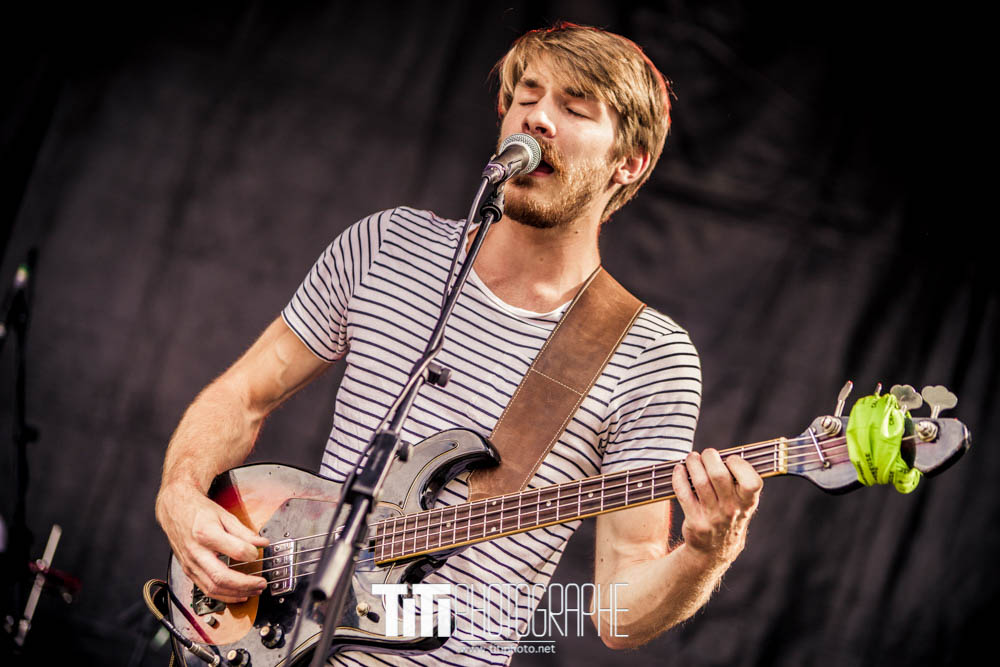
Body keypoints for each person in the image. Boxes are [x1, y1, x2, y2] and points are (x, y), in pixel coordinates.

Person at [155, 22, 763, 665]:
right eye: (526, 98)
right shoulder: (387, 245)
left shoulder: (650, 357)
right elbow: (242, 395)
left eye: (575, 106)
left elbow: (620, 610)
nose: (539, 120)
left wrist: (705, 553)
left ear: (628, 162)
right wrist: (181, 492)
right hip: (264, 644)